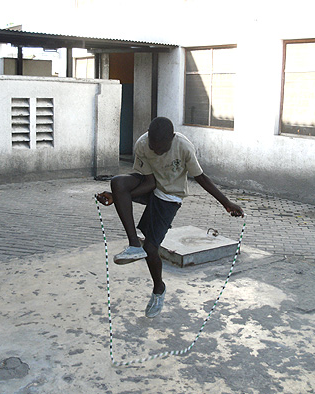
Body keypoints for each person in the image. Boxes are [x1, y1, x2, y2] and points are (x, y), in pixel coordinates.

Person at [97, 117, 243, 318]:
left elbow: (201, 178)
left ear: (171, 139)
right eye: (153, 146)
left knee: (151, 248)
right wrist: (119, 196)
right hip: (152, 186)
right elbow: (148, 182)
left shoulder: (183, 147)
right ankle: (133, 245)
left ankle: (159, 290)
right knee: (118, 183)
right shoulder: (142, 144)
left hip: (170, 196)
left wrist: (226, 203)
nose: (156, 151)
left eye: (161, 148)